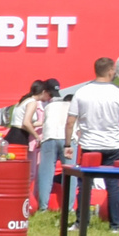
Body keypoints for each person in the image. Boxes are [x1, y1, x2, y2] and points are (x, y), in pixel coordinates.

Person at [67, 57, 119, 230]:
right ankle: (115, 225)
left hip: (89, 145)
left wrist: (68, 145)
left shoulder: (82, 92)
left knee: (85, 185)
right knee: (113, 185)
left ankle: (81, 223)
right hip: (111, 146)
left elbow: (70, 122)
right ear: (110, 71)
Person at [35, 79, 72, 210]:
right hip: (68, 138)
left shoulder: (49, 106)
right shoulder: (71, 105)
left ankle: (43, 207)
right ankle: (68, 208)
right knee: (70, 174)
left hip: (49, 136)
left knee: (46, 173)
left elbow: (43, 122)